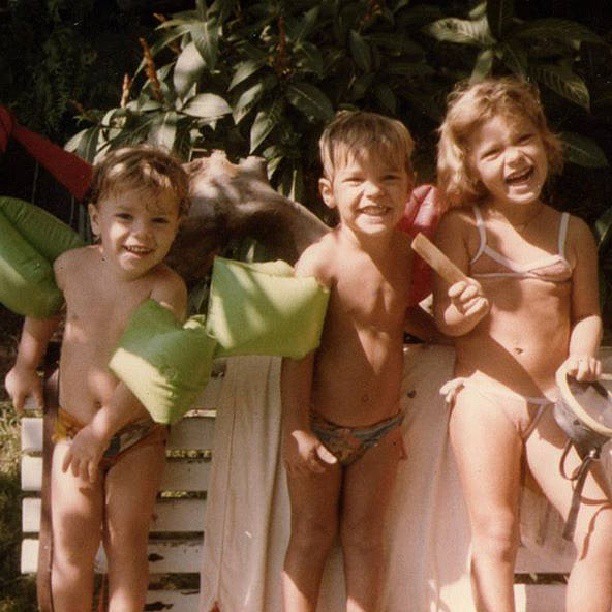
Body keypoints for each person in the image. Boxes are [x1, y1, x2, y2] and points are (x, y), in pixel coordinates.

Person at [433, 77, 612, 612]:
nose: (514, 157)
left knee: (603, 526)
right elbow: (445, 317)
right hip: (487, 398)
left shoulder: (571, 231)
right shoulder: (462, 228)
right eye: (494, 151)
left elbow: (588, 314)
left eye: (523, 139)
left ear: (545, 144)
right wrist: (460, 316)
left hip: (554, 405)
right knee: (496, 536)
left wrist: (584, 349)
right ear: (471, 167)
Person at [4, 145, 190, 611]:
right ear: (95, 218)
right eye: (124, 216)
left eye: (159, 221)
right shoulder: (73, 267)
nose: (140, 234)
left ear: (177, 228)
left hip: (134, 436)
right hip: (71, 431)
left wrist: (101, 432)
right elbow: (43, 309)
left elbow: (149, 370)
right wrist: (27, 365)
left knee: (125, 537)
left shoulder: (165, 289)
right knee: (72, 544)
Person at [281, 110, 436, 611]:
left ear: (409, 185)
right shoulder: (320, 261)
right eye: (356, 180)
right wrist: (296, 429)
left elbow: (395, 317)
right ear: (328, 192)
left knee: (367, 539)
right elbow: (297, 349)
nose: (375, 191)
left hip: (381, 431)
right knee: (311, 534)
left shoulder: (409, 252)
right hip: (322, 427)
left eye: (389, 177)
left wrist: (450, 336)